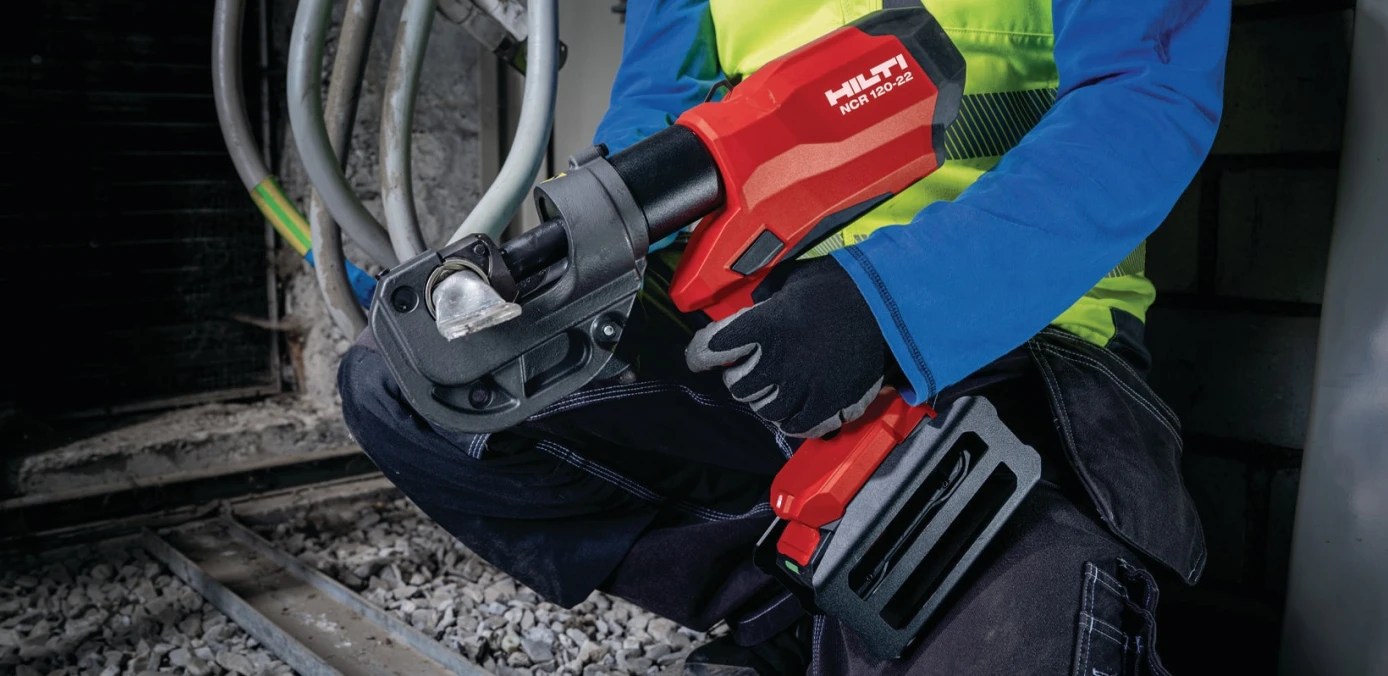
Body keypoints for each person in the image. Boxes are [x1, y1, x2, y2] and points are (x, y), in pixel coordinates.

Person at [339, 0, 1227, 673]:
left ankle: (878, 604)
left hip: (1015, 330)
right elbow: (656, 109)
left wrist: (889, 304)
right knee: (426, 381)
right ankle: (792, 610)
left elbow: (1147, 98)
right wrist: (586, 261)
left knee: (1024, 628)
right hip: (759, 325)